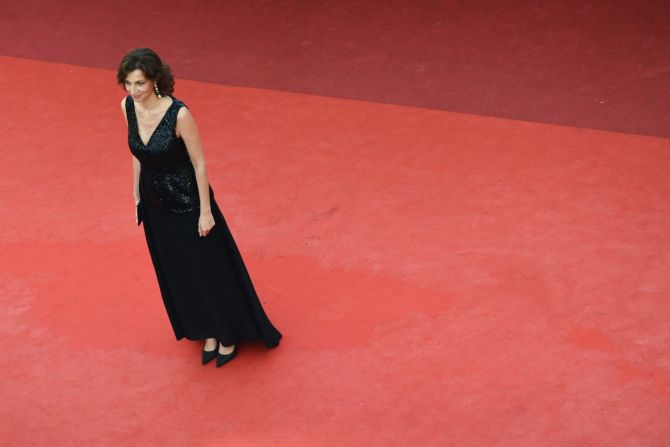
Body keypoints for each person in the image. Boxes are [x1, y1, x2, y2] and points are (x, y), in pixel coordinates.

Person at [117, 48, 282, 367]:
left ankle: (228, 334)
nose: (133, 91)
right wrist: (136, 195)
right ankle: (207, 330)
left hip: (189, 204)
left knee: (208, 271)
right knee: (180, 271)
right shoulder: (127, 107)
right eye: (127, 83)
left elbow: (199, 163)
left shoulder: (178, 114)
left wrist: (206, 211)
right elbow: (137, 153)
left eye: (139, 83)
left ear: (154, 80)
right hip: (155, 205)